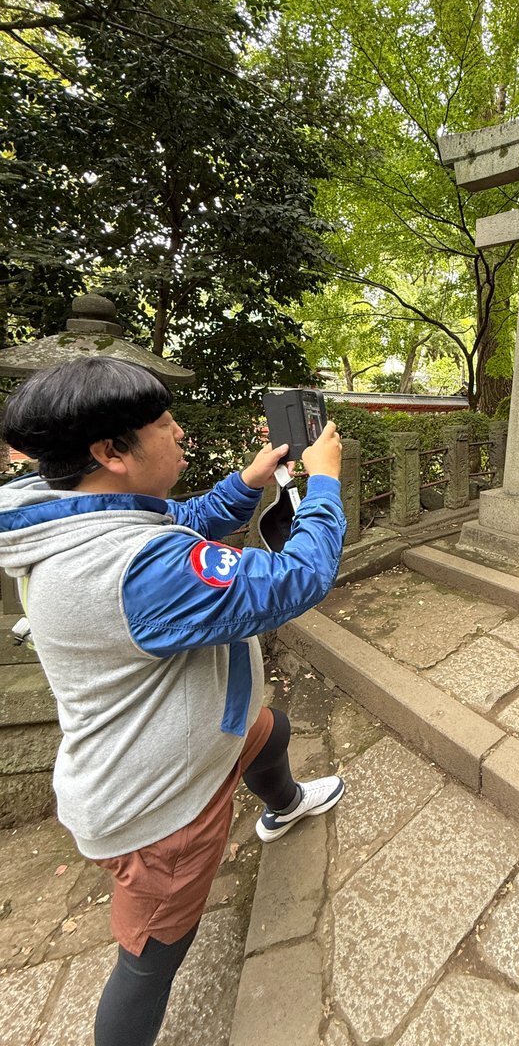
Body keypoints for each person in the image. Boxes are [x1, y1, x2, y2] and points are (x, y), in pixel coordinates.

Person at [0, 358, 347, 1046]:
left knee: (268, 734)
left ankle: (282, 807)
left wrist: (251, 482)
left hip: (202, 735)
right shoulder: (131, 570)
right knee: (152, 958)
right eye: (162, 423)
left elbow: (181, 521)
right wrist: (327, 481)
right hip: (160, 803)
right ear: (110, 452)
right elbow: (296, 577)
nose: (180, 430)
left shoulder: (71, 515)